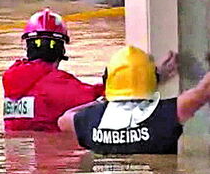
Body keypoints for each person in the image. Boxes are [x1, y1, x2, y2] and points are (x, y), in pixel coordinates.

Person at [58, 45, 210, 154]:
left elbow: (63, 120)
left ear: (108, 80)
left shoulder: (90, 120)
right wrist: (152, 79)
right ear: (151, 79)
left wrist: (104, 99)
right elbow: (203, 91)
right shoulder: (164, 115)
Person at [2, 8, 104, 132]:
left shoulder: (11, 79)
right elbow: (101, 95)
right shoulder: (58, 83)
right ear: (61, 51)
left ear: (28, 47)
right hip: (49, 149)